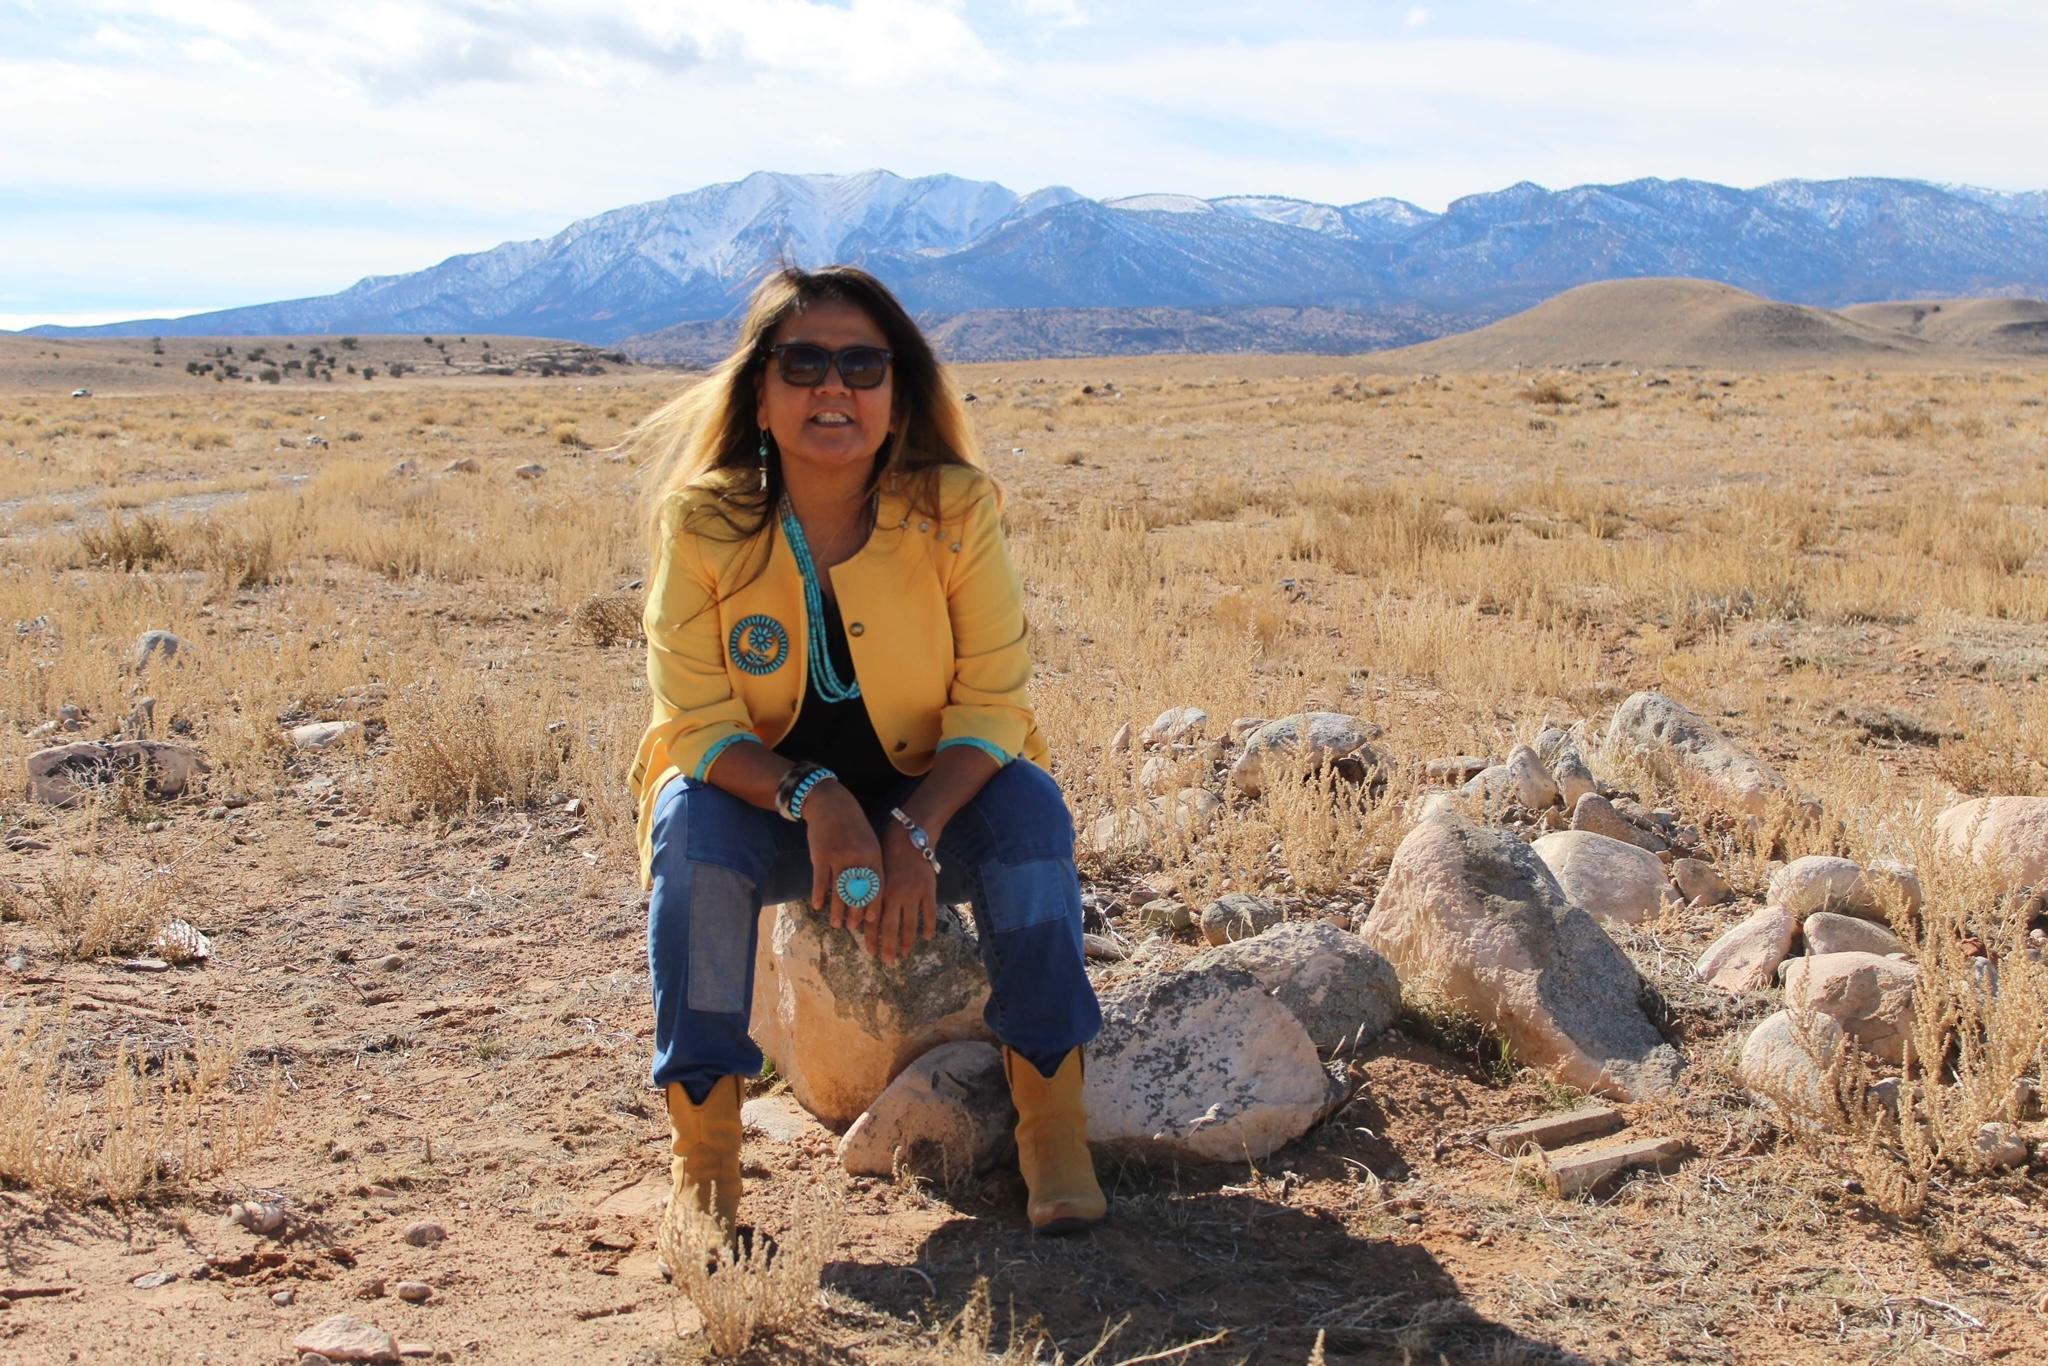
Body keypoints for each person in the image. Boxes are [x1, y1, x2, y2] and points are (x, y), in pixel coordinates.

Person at [622, 265, 1106, 1241]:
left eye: (860, 364)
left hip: (933, 798)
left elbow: (991, 701)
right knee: (689, 831)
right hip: (768, 811)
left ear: (896, 396)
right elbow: (698, 723)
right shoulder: (704, 522)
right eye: (802, 363)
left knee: (1029, 813)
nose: (832, 387)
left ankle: (1052, 1132)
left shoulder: (954, 508)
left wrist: (913, 827)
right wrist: (819, 798)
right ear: (760, 393)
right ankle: (706, 1168)